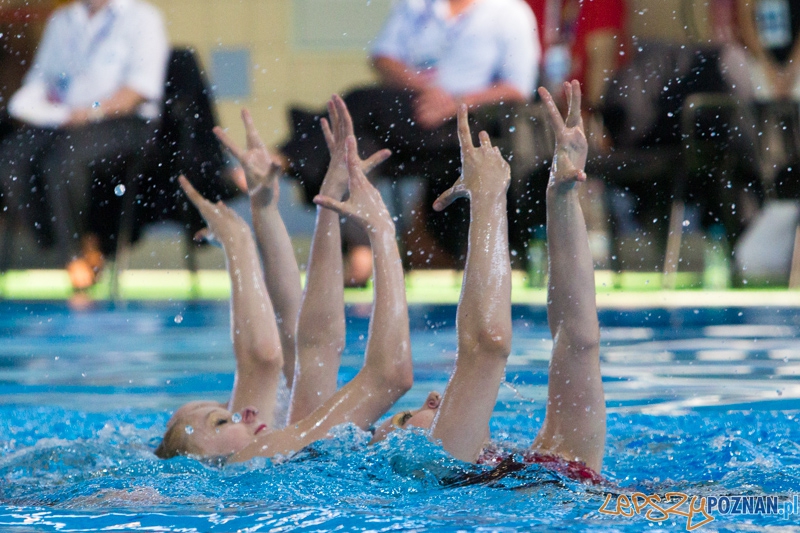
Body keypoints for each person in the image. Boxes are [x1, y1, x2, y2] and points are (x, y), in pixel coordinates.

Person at [155, 95, 413, 460]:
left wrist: (317, 202)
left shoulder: (266, 454)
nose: (242, 409)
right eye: (222, 421)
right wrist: (379, 230)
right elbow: (287, 353)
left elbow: (300, 342)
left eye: (224, 414)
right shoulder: (258, 458)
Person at [372, 81, 605, 480]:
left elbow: (578, 339)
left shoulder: (547, 455)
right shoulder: (435, 471)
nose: (431, 396)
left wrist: (561, 195)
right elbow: (486, 345)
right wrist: (487, 197)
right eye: (404, 417)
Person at [282, 0, 539, 281]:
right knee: (356, 148)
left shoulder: (510, 13)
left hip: (470, 122)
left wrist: (456, 102)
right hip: (413, 112)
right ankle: (361, 251)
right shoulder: (416, 5)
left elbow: (518, 88)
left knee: (360, 101)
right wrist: (427, 91)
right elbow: (383, 57)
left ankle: (288, 156)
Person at [0, 0, 169, 291]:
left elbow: (139, 90)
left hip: (124, 122)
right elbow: (41, 79)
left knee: (63, 160)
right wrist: (34, 104)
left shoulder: (142, 19)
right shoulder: (62, 20)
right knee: (12, 156)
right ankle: (61, 239)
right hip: (66, 120)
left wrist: (91, 110)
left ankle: (76, 256)